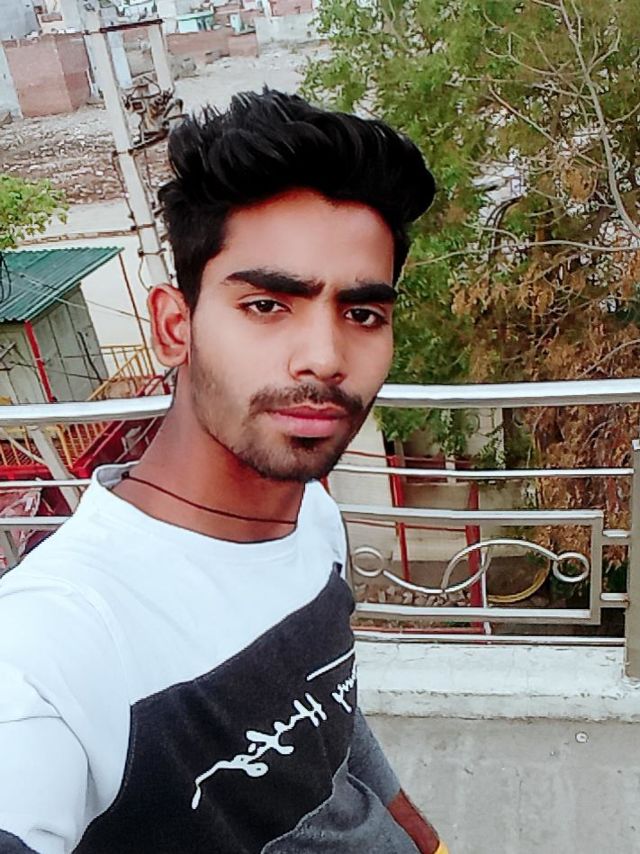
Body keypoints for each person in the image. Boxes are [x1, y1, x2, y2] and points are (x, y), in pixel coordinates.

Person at [0, 90, 447, 854]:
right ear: (175, 326)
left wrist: (421, 836)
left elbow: (331, 710)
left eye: (363, 314)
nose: (325, 358)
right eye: (268, 305)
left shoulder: (312, 517)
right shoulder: (55, 644)